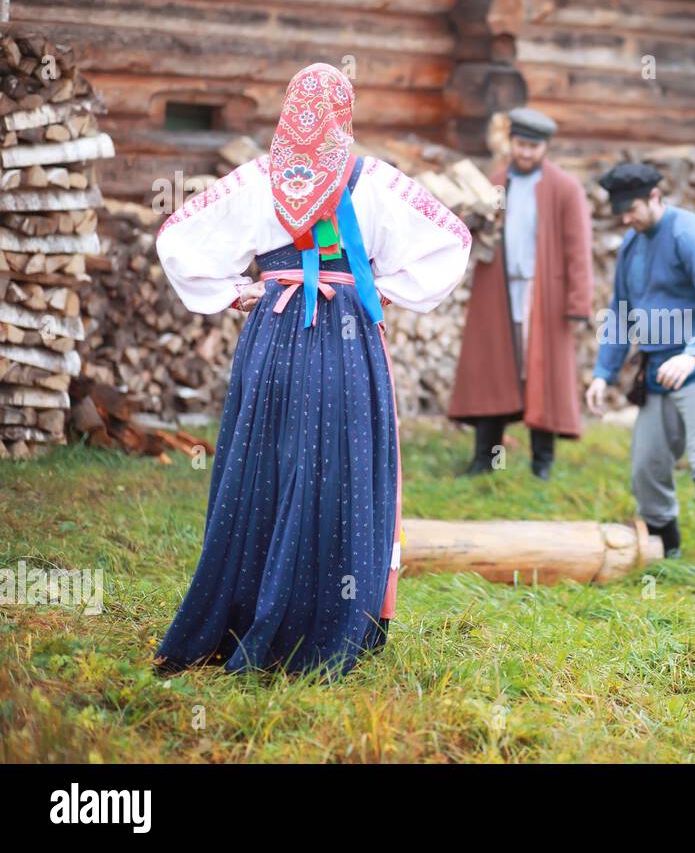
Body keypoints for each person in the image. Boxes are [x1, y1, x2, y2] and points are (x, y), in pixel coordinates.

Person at [153, 63, 470, 679]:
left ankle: (244, 615)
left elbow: (178, 236)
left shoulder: (256, 180)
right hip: (348, 342)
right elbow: (451, 240)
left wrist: (235, 291)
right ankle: (332, 624)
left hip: (274, 334)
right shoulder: (372, 181)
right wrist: (377, 287)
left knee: (262, 463)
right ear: (343, 115)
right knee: (340, 469)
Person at [585, 162, 695, 583]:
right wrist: (604, 373)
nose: (626, 219)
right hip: (659, 369)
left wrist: (694, 354)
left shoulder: (688, 233)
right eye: (619, 211)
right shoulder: (631, 246)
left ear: (656, 197)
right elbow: (621, 312)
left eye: (632, 208)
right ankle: (664, 548)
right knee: (647, 465)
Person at [449, 107, 593, 480]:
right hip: (497, 291)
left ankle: (541, 464)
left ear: (544, 147)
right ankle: (486, 460)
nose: (526, 153)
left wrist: (578, 302)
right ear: (510, 142)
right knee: (492, 374)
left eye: (534, 146)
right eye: (520, 144)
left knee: (543, 376)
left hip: (543, 296)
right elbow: (479, 232)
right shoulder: (496, 183)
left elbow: (578, 249)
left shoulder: (564, 188)